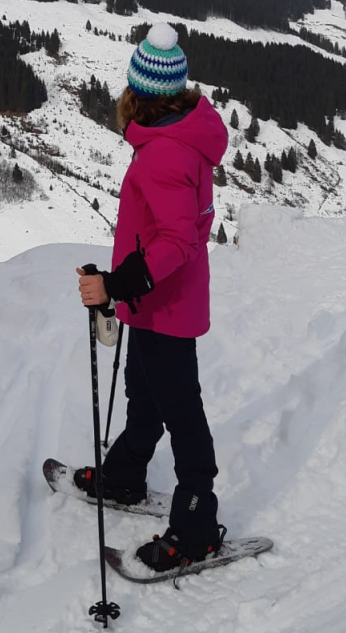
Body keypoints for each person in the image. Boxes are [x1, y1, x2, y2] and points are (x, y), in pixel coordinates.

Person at [74, 22, 228, 573]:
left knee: (181, 413)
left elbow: (176, 240)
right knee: (145, 394)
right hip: (155, 302)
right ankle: (124, 476)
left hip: (166, 305)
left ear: (139, 92)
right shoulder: (178, 135)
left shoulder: (164, 153)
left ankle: (196, 527)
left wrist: (116, 285)